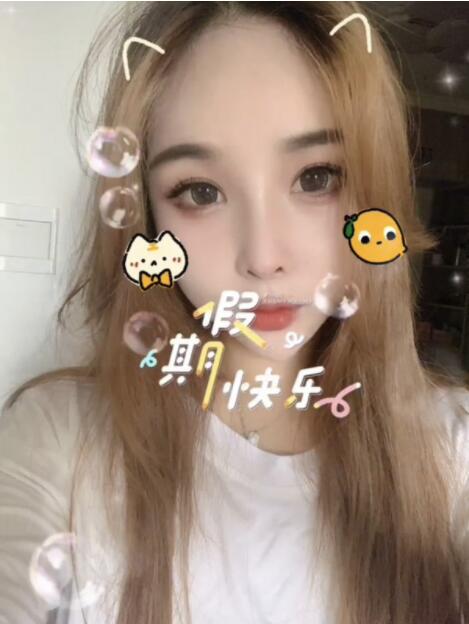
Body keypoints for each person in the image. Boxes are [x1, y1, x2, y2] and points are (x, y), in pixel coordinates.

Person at [1, 2, 468, 623]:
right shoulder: (60, 437)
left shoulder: (450, 453)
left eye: (317, 177)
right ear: (146, 218)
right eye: (200, 191)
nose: (263, 258)